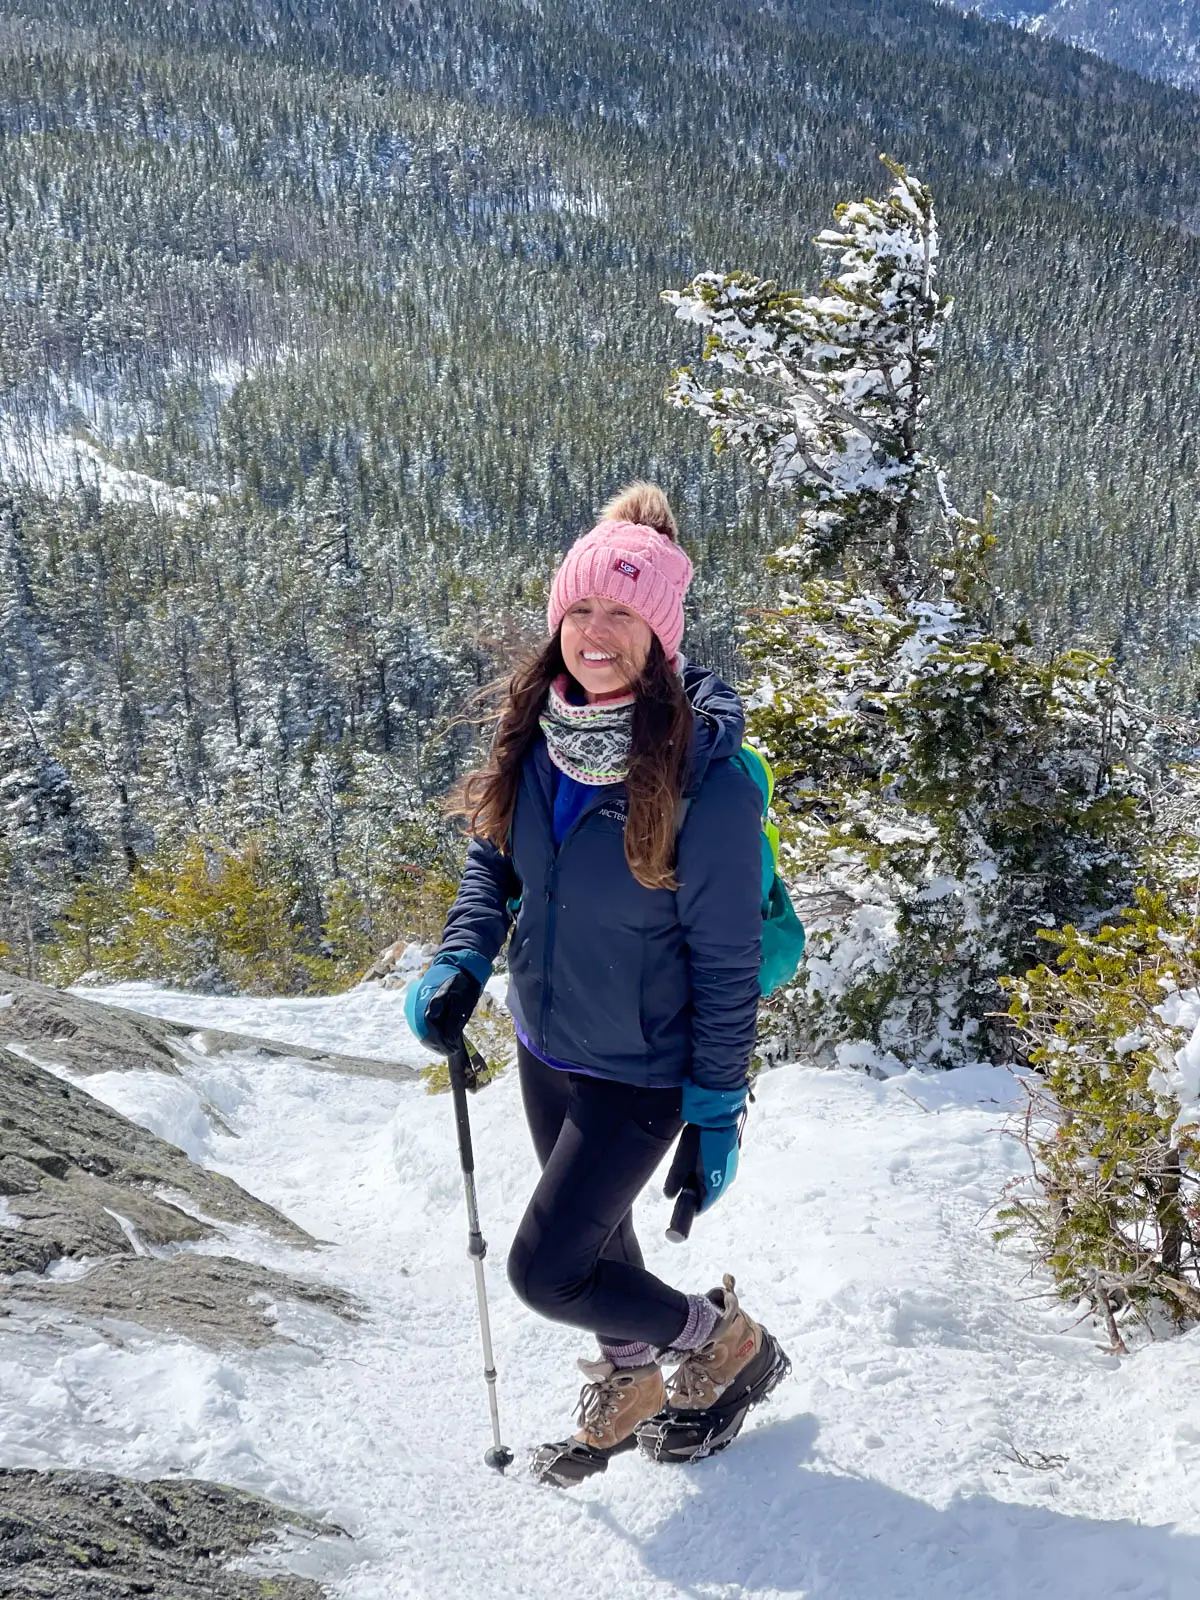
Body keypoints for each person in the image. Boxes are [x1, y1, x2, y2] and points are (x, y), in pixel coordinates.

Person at [406, 483, 789, 1485]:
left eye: (620, 612)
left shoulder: (707, 778)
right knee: (600, 1246)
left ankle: (715, 1337)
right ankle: (634, 1375)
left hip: (644, 1067)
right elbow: (494, 862)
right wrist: (460, 958)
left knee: (547, 1270)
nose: (594, 632)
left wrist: (713, 1111)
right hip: (549, 1041)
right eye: (579, 609)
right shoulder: (535, 734)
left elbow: (727, 962)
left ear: (661, 633)